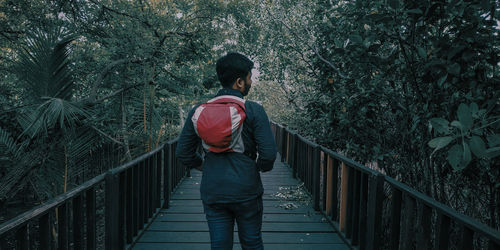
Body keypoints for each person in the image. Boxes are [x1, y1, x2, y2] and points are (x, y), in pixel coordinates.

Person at [175, 52, 277, 249]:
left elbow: (183, 153)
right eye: (249, 78)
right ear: (239, 82)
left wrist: (205, 166)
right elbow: (269, 155)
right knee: (252, 242)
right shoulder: (253, 110)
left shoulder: (198, 110)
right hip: (246, 188)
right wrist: (256, 167)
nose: (250, 82)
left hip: (213, 188)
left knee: (220, 245)